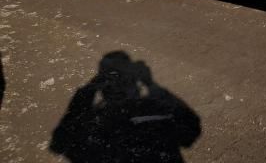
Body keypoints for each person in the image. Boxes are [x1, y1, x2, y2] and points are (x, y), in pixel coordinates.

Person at [50, 51, 201, 163]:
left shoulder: (93, 120)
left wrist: (89, 89)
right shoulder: (155, 110)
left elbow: (60, 143)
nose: (118, 86)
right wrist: (151, 84)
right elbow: (191, 128)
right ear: (136, 84)